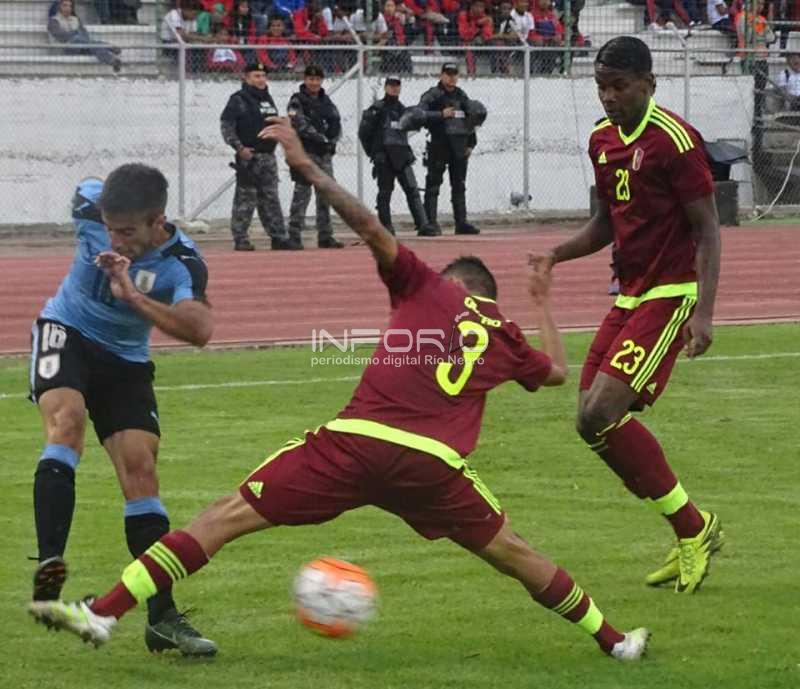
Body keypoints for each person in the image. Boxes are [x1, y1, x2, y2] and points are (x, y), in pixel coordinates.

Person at [28, 117, 650, 663]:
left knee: (223, 518)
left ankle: (103, 612)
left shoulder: (426, 285)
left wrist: (306, 166)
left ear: (449, 280)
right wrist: (541, 301)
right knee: (514, 552)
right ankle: (614, 639)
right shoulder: (506, 336)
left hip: (355, 443)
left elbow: (370, 224)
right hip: (433, 466)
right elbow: (557, 373)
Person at [530, 37, 724, 594]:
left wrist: (703, 312)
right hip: (630, 294)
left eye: (619, 86)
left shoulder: (675, 141)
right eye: (602, 86)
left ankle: (693, 530)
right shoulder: (600, 138)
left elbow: (708, 228)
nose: (609, 96)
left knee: (601, 413)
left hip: (671, 292)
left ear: (648, 83)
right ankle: (693, 527)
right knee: (588, 421)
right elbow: (605, 223)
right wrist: (555, 254)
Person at [27, 166, 217, 656]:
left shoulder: (181, 262)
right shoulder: (91, 206)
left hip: (126, 359)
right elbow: (88, 186)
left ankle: (162, 618)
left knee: (140, 469)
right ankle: (50, 564)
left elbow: (200, 330)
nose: (115, 240)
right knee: (66, 424)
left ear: (158, 221)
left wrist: (132, 295)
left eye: (128, 232)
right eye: (110, 229)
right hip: (66, 331)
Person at [221, 62, 297, 251]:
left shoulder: (266, 99)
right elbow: (227, 126)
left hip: (268, 156)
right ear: (246, 78)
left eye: (263, 76)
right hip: (249, 157)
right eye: (256, 76)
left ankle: (278, 237)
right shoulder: (238, 100)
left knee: (270, 198)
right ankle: (241, 238)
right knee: (245, 199)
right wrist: (239, 148)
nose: (261, 79)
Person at [359, 76, 436, 236]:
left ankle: (423, 224)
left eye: (397, 86)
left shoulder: (403, 110)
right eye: (391, 85)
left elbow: (414, 124)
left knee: (412, 190)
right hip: (384, 156)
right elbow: (363, 133)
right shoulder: (376, 109)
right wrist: (374, 152)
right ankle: (386, 226)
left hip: (402, 154)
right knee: (385, 192)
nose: (394, 88)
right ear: (386, 87)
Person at [418, 63, 482, 236]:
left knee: (459, 185)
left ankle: (461, 223)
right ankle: (430, 223)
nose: (452, 78)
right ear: (441, 75)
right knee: (433, 185)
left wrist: (471, 144)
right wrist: (441, 114)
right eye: (448, 74)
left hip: (459, 146)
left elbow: (470, 119)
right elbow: (419, 114)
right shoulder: (432, 95)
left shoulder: (461, 95)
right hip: (439, 144)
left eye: (455, 74)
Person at [287, 64, 345, 249]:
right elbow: (299, 124)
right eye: (311, 79)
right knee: (301, 195)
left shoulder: (326, 101)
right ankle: (294, 235)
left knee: (326, 195)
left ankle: (325, 235)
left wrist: (332, 141)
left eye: (317, 79)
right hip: (305, 153)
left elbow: (336, 122)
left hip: (324, 154)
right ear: (305, 80)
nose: (314, 83)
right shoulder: (297, 101)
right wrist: (322, 138)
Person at [48, 0, 122, 73]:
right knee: (79, 39)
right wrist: (76, 33)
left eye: (70, 6)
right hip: (65, 48)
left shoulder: (75, 19)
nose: (68, 8)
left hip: (81, 46)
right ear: (59, 7)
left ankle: (113, 61)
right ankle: (108, 46)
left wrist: (77, 35)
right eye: (65, 5)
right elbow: (62, 36)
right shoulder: (54, 21)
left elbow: (85, 35)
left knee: (93, 46)